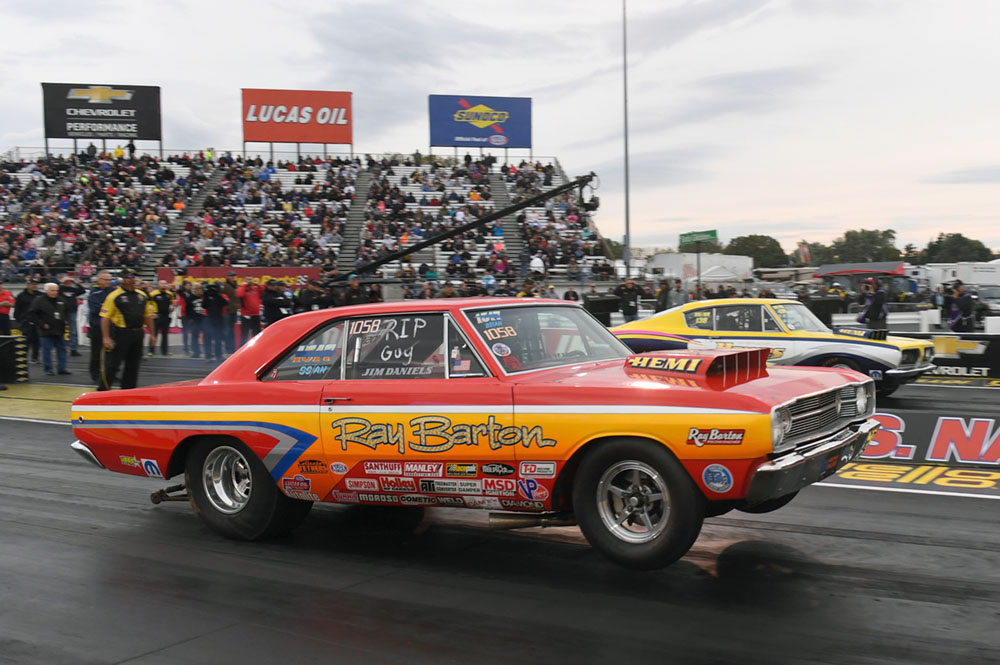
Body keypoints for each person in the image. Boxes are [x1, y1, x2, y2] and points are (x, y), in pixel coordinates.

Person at [98, 271, 153, 390]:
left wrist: (152, 334)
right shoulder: (114, 296)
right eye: (128, 277)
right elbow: (105, 317)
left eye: (133, 276)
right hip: (121, 333)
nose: (132, 279)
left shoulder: (141, 295)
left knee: (133, 365)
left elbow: (147, 316)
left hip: (138, 333)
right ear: (122, 280)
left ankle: (128, 390)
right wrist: (106, 337)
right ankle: (103, 390)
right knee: (113, 364)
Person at [29, 282, 71, 376]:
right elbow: (32, 314)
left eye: (56, 290)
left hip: (59, 329)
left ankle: (62, 368)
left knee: (62, 350)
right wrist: (42, 324)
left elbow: (67, 310)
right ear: (46, 291)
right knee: (46, 351)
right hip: (46, 331)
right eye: (52, 290)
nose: (54, 292)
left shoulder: (61, 300)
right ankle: (48, 369)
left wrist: (66, 320)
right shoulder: (39, 301)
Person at [86, 271, 114, 383]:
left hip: (110, 326)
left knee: (111, 352)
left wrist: (105, 307)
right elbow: (96, 309)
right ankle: (95, 374)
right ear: (99, 280)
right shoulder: (94, 292)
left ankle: (109, 374)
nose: (108, 282)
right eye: (105, 280)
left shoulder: (112, 291)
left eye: (109, 280)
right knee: (96, 352)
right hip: (97, 326)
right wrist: (108, 308)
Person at [14, 279, 41, 363]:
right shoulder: (21, 295)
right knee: (25, 341)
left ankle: (35, 357)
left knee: (37, 341)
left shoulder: (41, 295)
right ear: (28, 285)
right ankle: (23, 357)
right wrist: (19, 319)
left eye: (36, 284)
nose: (35, 286)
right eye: (33, 284)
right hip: (26, 321)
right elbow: (17, 308)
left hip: (37, 321)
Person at [58, 276, 86, 356]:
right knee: (61, 330)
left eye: (69, 282)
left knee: (73, 331)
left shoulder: (73, 290)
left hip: (72, 312)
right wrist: (61, 282)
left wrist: (76, 282)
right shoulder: (61, 289)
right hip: (62, 312)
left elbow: (82, 291)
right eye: (66, 282)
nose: (68, 283)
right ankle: (62, 348)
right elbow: (56, 290)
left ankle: (73, 349)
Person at [202, 282, 228, 362]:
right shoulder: (207, 295)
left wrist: (217, 294)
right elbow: (204, 305)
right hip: (208, 318)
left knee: (218, 338)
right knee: (207, 338)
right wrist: (206, 294)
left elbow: (225, 303)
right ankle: (208, 356)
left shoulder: (222, 296)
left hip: (218, 319)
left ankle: (218, 355)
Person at [147, 280, 175, 356]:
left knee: (165, 335)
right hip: (156, 316)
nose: (164, 285)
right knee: (154, 334)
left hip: (166, 316)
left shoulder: (169, 294)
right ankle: (151, 351)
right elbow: (148, 304)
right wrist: (152, 313)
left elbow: (172, 303)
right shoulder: (153, 294)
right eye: (162, 283)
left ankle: (165, 351)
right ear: (158, 285)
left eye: (165, 283)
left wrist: (172, 308)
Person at [235, 277, 263, 345]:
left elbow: (263, 290)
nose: (249, 281)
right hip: (246, 315)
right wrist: (244, 285)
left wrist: (257, 284)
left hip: (256, 314)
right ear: (244, 281)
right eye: (248, 279)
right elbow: (239, 294)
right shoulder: (242, 288)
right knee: (244, 334)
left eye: (251, 279)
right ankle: (243, 349)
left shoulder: (256, 288)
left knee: (257, 333)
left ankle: (257, 347)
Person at [220, 271, 240, 354]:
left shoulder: (237, 286)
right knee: (227, 330)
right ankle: (228, 348)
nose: (233, 277)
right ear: (227, 277)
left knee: (232, 330)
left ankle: (232, 348)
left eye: (234, 276)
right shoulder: (224, 286)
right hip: (227, 310)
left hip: (235, 310)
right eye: (231, 276)